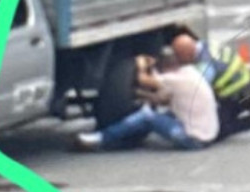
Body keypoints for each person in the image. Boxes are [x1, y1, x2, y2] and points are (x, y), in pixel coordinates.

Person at [75, 47, 219, 151]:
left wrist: (141, 63)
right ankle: (119, 139)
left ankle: (100, 138)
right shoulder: (190, 72)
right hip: (209, 134)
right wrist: (144, 96)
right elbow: (164, 100)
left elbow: (142, 79)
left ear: (164, 67)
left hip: (193, 139)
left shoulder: (171, 79)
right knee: (156, 116)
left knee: (147, 117)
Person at [170, 33, 250, 141]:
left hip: (237, 95)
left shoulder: (205, 68)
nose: (178, 60)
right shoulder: (205, 44)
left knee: (213, 131)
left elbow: (197, 94)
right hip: (244, 82)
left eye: (179, 56)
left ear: (188, 54)